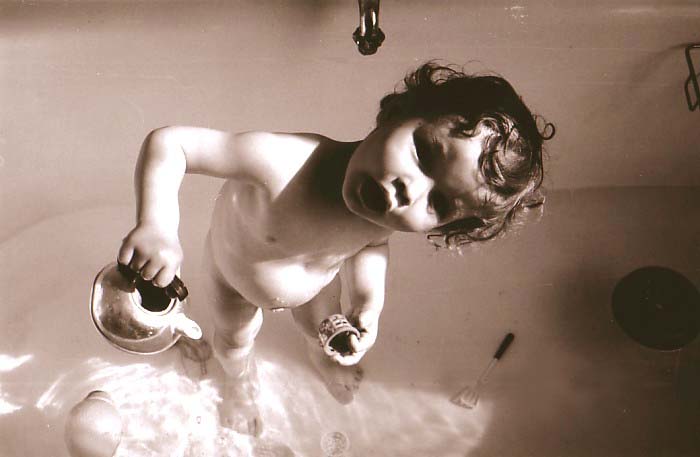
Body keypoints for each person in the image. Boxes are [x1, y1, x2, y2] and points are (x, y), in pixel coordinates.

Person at [117, 62, 553, 436]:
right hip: (236, 279)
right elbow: (171, 144)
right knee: (233, 341)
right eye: (422, 153)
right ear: (398, 114)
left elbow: (371, 243)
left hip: (315, 283)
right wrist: (158, 225)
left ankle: (319, 356)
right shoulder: (284, 162)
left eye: (437, 205)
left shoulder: (383, 211)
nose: (409, 191)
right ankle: (238, 383)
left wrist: (369, 302)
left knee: (322, 330)